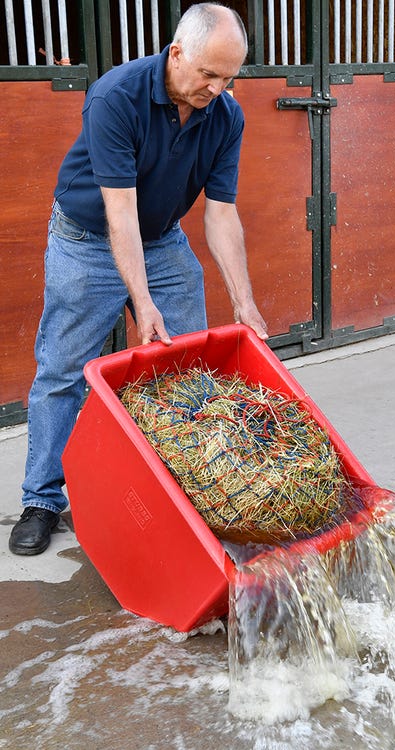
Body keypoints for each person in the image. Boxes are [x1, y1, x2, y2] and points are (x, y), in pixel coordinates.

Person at [9, 3, 267, 556]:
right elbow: (118, 213)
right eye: (208, 74)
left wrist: (244, 301)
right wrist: (142, 302)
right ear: (177, 54)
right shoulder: (115, 96)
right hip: (88, 238)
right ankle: (42, 500)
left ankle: (185, 488)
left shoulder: (226, 115)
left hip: (162, 236)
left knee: (188, 364)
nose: (218, 89)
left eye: (228, 78)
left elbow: (221, 213)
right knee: (62, 368)